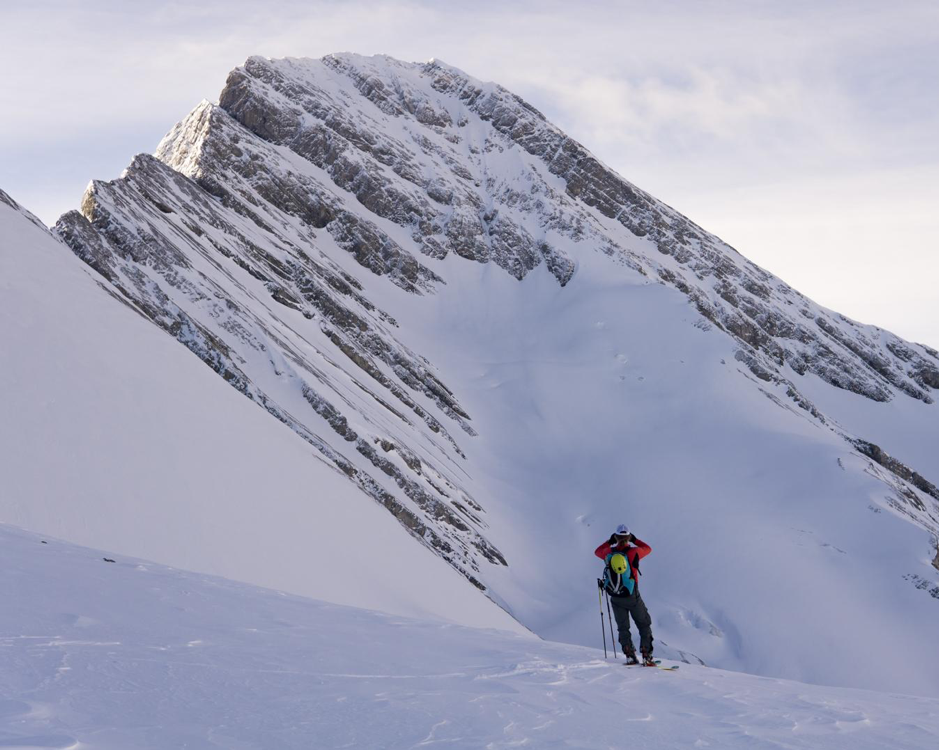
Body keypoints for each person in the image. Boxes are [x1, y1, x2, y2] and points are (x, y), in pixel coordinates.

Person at [595, 523, 654, 666]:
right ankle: (646, 654)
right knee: (643, 623)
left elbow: (597, 551)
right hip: (632, 595)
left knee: (623, 627)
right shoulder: (634, 552)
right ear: (628, 537)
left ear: (616, 537)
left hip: (615, 597)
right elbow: (648, 548)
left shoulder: (609, 553)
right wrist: (635, 540)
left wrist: (610, 542)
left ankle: (629, 655)